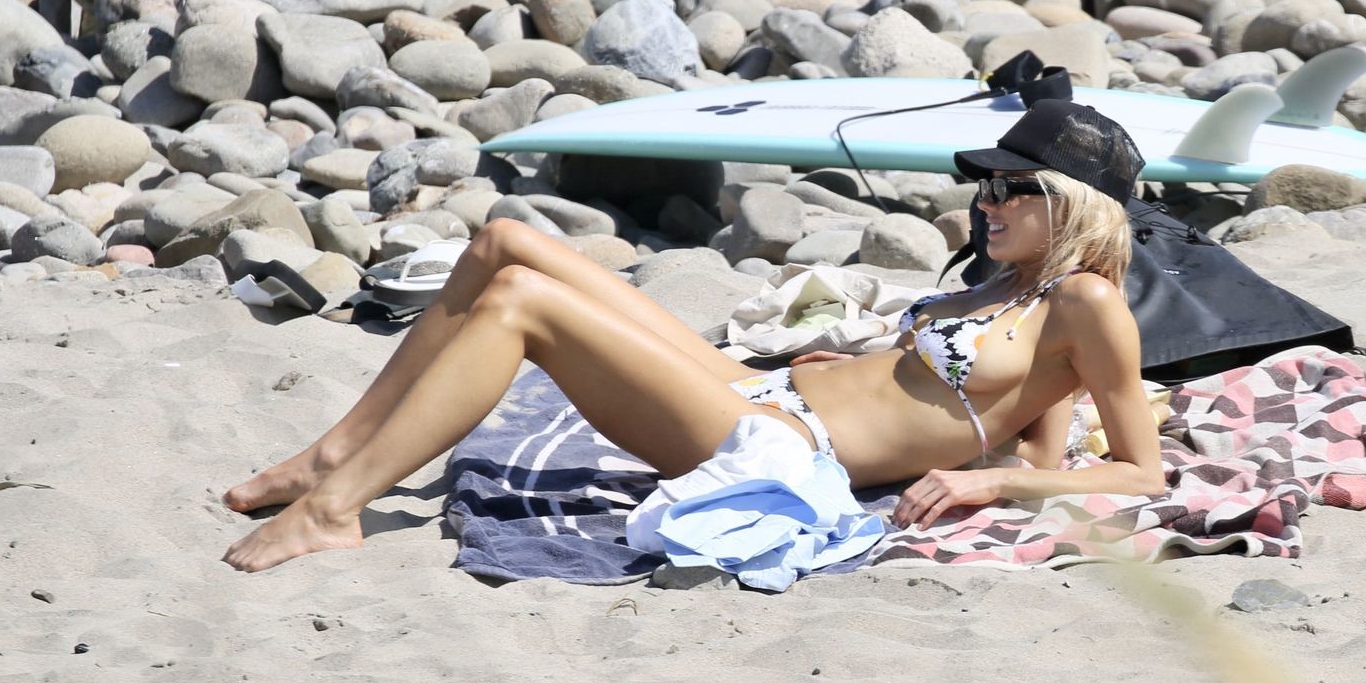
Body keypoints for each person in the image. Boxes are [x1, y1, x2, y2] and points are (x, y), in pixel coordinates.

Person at [220, 99, 1168, 572]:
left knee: (520, 303)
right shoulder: (1011, 284)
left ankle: (339, 508)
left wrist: (990, 481)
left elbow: (1141, 473)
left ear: (1076, 207)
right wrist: (875, 370)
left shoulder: (1088, 305)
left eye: (1013, 188)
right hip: (764, 390)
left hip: (781, 446)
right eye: (987, 184)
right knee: (506, 241)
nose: (987, 200)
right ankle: (332, 454)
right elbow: (1026, 418)